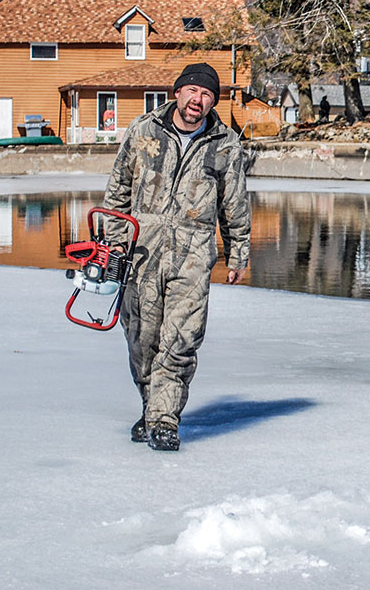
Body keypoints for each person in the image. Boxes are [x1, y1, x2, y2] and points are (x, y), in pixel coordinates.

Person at [103, 62, 251, 451]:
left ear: (212, 102)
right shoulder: (143, 131)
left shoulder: (226, 145)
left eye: (205, 95)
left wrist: (238, 253)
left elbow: (234, 205)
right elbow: (118, 191)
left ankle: (165, 420)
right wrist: (113, 242)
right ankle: (152, 408)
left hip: (194, 253)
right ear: (178, 92)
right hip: (142, 251)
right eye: (191, 92)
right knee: (142, 338)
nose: (196, 101)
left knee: (182, 339)